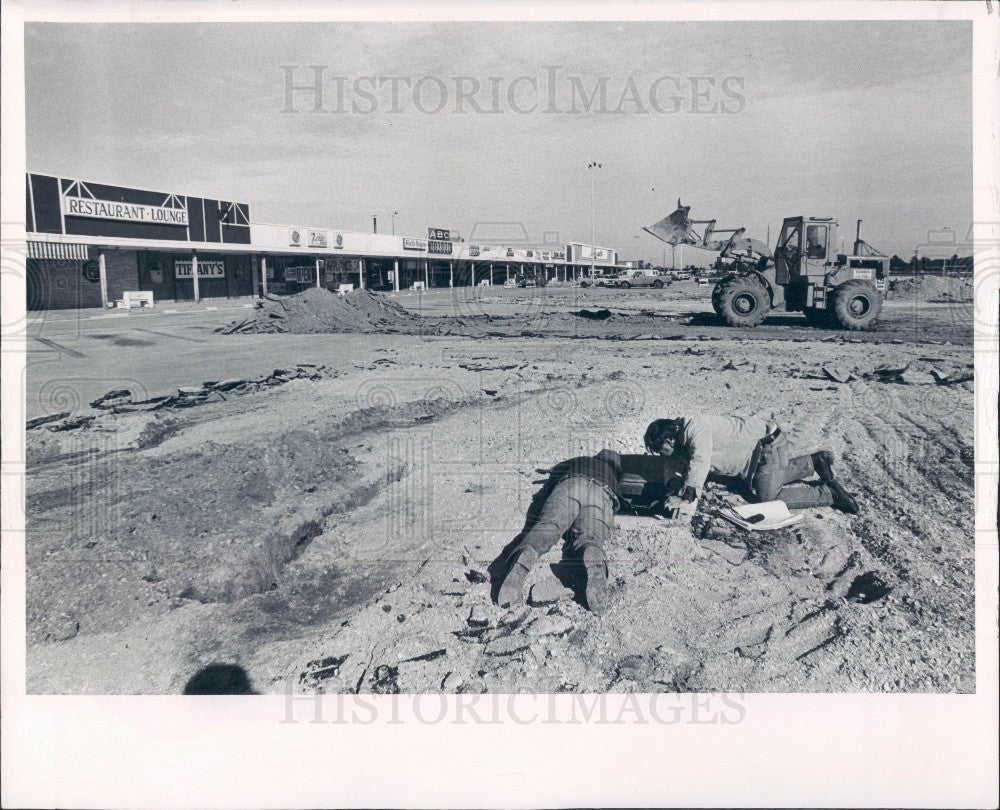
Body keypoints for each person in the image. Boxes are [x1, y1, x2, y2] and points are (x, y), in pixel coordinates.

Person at [496, 449, 679, 615]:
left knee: (548, 526)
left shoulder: (578, 460)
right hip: (602, 492)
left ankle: (527, 552)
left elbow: (553, 479)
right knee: (591, 536)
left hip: (571, 484)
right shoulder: (614, 477)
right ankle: (592, 550)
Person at [643, 414, 859, 518]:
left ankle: (829, 493)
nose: (665, 457)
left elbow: (700, 461)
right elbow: (672, 465)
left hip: (768, 448)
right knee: (760, 480)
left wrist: (685, 496)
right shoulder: (678, 436)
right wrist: (672, 485)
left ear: (670, 440)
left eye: (663, 451)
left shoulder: (695, 428)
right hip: (756, 459)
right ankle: (813, 462)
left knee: (768, 498)